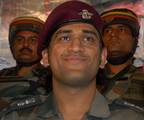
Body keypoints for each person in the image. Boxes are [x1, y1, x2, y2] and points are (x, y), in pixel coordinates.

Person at [1, 1, 144, 120]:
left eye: (88, 38)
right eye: (64, 38)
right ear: (45, 57)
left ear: (102, 57)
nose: (76, 47)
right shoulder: (14, 116)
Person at [99, 8, 144, 107]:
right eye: (107, 31)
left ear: (134, 39)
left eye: (121, 30)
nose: (113, 35)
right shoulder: (87, 78)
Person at [0, 16, 52, 97]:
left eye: (33, 40)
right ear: (11, 48)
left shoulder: (53, 79)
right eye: (19, 39)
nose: (25, 45)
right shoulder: (2, 75)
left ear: (43, 49)